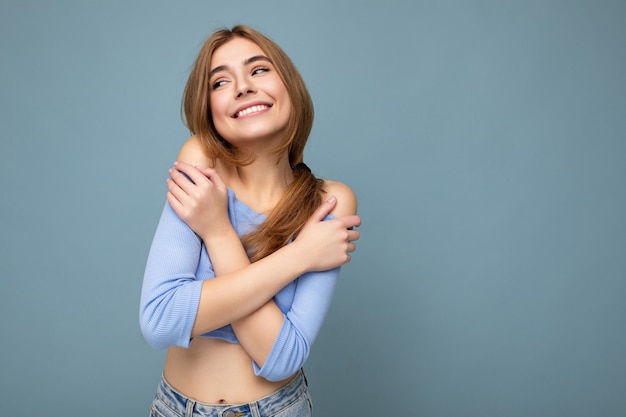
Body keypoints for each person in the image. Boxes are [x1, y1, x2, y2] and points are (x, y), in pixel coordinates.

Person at [139, 25, 360, 417]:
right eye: (220, 81)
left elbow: (283, 357)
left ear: (289, 86)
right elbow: (160, 319)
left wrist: (216, 232)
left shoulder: (330, 201)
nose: (243, 86)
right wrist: (301, 256)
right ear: (207, 109)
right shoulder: (200, 161)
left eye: (259, 70)